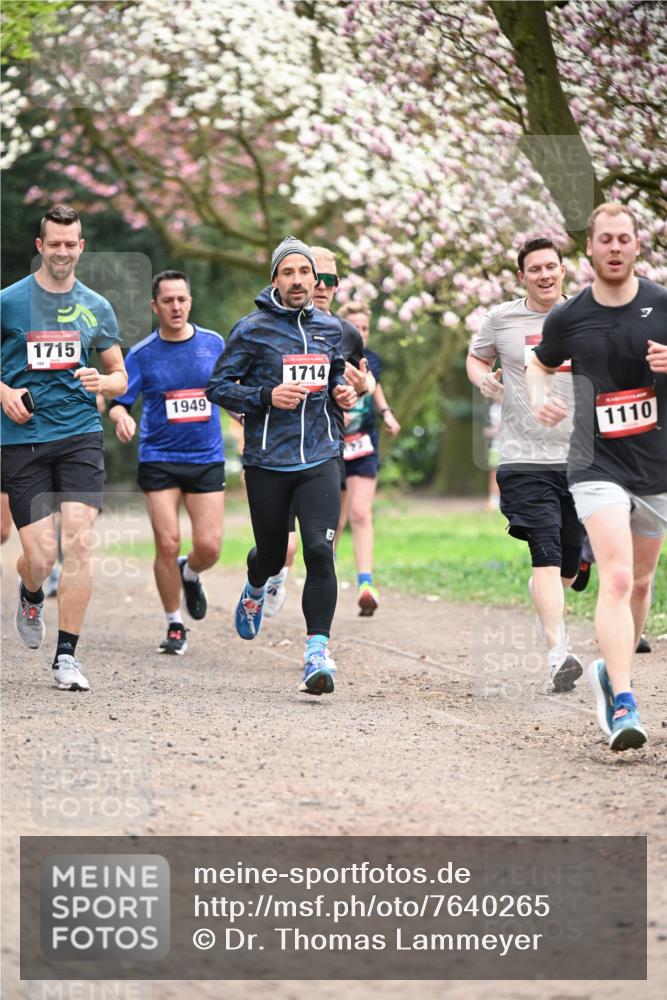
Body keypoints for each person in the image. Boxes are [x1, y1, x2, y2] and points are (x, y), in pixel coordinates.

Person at [527, 202, 667, 752]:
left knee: (641, 582)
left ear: (637, 245)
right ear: (589, 248)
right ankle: (625, 701)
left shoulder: (662, 304)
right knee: (616, 576)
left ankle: (612, 669)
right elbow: (540, 363)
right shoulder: (570, 316)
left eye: (623, 238)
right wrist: (540, 397)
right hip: (596, 463)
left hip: (656, 464)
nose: (614, 247)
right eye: (604, 239)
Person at [206, 236, 357, 695]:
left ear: (315, 278)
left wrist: (343, 391)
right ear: (274, 279)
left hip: (321, 456)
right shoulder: (251, 330)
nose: (297, 280)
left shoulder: (332, 329)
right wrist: (265, 396)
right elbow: (217, 387)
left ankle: (317, 653)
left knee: (319, 551)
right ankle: (256, 586)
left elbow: (336, 376)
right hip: (269, 461)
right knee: (272, 555)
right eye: (288, 272)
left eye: (304, 272)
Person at [0, 204, 126, 690]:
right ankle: (31, 591)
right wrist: (5, 392)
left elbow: (119, 375)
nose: (62, 251)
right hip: (24, 440)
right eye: (54, 243)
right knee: (40, 558)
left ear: (81, 247)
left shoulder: (96, 306)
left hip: (79, 435)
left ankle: (66, 657)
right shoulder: (9, 302)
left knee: (77, 542)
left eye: (70, 244)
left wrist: (104, 381)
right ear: (40, 246)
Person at [467, 236, 584, 692]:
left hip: (581, 458)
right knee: (546, 552)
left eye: (551, 266)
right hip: (523, 457)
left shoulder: (585, 315)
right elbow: (476, 358)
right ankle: (558, 653)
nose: (544, 274)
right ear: (522, 276)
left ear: (562, 270)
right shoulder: (502, 319)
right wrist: (485, 380)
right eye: (535, 268)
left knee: (568, 567)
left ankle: (546, 608)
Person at [109, 270, 226, 655]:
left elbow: (231, 390)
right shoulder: (142, 353)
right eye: (168, 301)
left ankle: (189, 572)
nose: (176, 307)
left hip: (206, 457)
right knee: (167, 541)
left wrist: (242, 412)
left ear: (190, 302)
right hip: (159, 458)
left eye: (182, 299)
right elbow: (119, 402)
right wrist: (121, 418)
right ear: (154, 306)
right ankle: (175, 623)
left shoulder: (213, 344)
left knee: (209, 547)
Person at [262, 244, 375, 621]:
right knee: (283, 549)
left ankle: (318, 638)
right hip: (276, 453)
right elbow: (234, 385)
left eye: (330, 279)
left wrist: (360, 387)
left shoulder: (345, 333)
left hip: (324, 450)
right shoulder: (265, 327)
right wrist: (257, 411)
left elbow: (364, 380)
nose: (323, 286)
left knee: (319, 546)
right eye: (317, 277)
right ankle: (270, 578)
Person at [335, 300, 401, 615]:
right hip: (332, 448)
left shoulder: (371, 359)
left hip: (362, 444)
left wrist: (386, 413)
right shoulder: (328, 356)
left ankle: (366, 584)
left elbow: (375, 387)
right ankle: (325, 577)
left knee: (361, 513)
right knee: (334, 521)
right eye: (354, 327)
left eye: (365, 328)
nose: (360, 333)